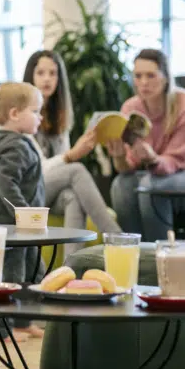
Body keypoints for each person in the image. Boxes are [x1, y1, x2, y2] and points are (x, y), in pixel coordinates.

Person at [106, 48, 185, 241]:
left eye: (151, 75)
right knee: (121, 185)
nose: (143, 82)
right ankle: (134, 256)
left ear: (166, 77)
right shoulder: (131, 108)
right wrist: (118, 156)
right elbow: (128, 168)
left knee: (153, 186)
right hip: (164, 175)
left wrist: (152, 159)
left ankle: (159, 259)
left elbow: (174, 162)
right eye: (138, 76)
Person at [24, 49, 121, 248]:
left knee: (73, 197)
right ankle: (116, 237)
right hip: (27, 191)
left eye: (53, 73)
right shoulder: (24, 114)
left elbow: (61, 168)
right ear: (30, 77)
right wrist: (71, 155)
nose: (47, 79)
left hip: (49, 190)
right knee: (76, 170)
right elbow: (39, 169)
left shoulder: (59, 115)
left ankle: (71, 269)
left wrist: (73, 153)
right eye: (41, 73)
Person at [0, 81, 46, 340]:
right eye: (36, 111)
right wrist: (25, 214)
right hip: (15, 225)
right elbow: (7, 185)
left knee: (33, 269)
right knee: (13, 276)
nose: (40, 117)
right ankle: (3, 329)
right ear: (15, 114)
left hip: (11, 224)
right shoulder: (16, 146)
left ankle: (22, 322)